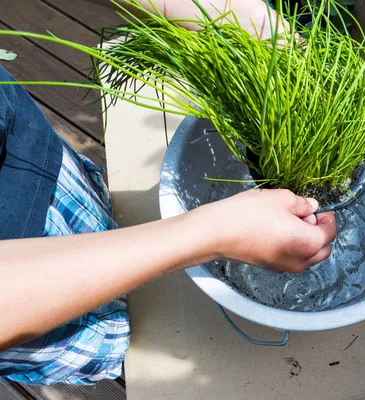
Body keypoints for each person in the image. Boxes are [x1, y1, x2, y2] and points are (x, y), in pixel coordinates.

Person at [0, 0, 336, 385]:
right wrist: (215, 233)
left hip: (41, 173)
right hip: (35, 314)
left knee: (108, 229)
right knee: (138, 345)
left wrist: (263, 30)